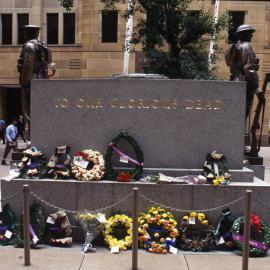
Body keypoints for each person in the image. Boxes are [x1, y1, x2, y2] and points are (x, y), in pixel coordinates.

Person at [17, 25, 51, 136]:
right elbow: (48, 63)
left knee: (29, 112)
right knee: (40, 110)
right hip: (42, 80)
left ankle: (34, 139)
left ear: (26, 34)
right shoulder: (43, 46)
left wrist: (23, 81)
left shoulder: (29, 46)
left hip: (31, 82)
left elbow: (28, 66)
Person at [225, 24, 264, 120]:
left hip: (234, 82)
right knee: (242, 117)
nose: (251, 35)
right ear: (242, 34)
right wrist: (257, 88)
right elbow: (249, 69)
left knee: (234, 116)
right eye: (249, 33)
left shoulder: (230, 48)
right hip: (245, 86)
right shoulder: (246, 46)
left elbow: (231, 66)